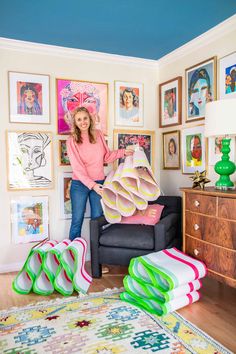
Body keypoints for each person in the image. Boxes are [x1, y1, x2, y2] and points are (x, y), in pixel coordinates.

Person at [66, 106, 134, 244]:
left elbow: (106, 157)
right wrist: (93, 186)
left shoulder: (98, 134)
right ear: (75, 122)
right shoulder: (71, 140)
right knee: (77, 220)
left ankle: (97, 259)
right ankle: (73, 260)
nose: (83, 122)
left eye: (85, 118)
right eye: (79, 119)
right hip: (80, 184)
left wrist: (123, 152)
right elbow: (78, 168)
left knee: (97, 219)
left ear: (90, 119)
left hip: (99, 182)